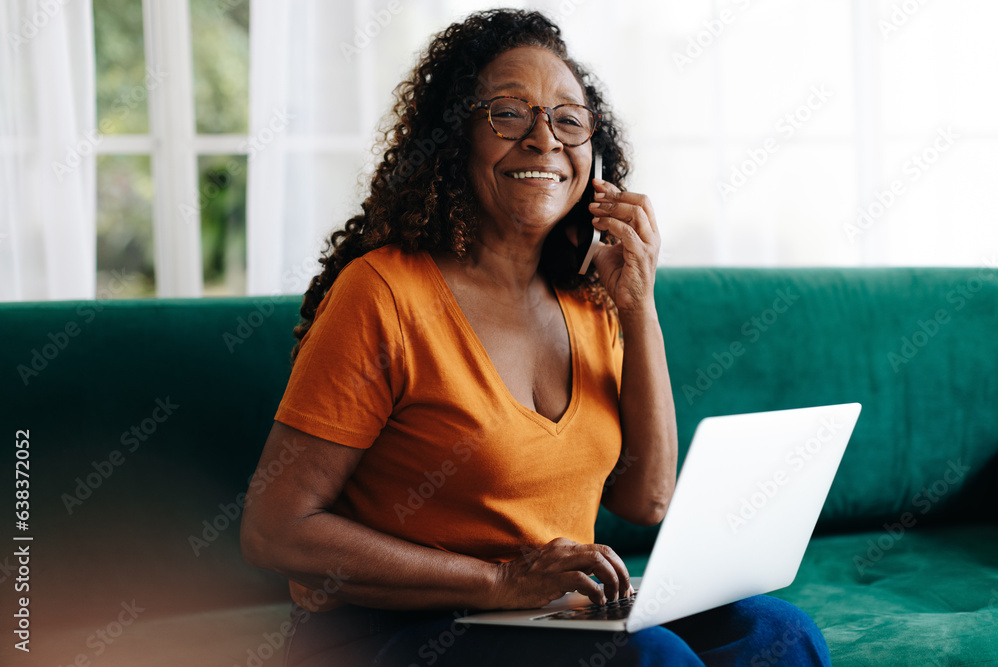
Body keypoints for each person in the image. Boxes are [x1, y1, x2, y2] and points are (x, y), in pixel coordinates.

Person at [240, 9, 834, 666]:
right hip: (387, 630)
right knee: (651, 658)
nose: (544, 139)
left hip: (547, 612)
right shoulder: (382, 292)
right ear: (454, 138)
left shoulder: (589, 296)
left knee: (779, 632)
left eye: (569, 120)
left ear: (593, 153)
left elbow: (646, 499)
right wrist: (500, 581)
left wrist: (638, 305)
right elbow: (275, 530)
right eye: (508, 114)